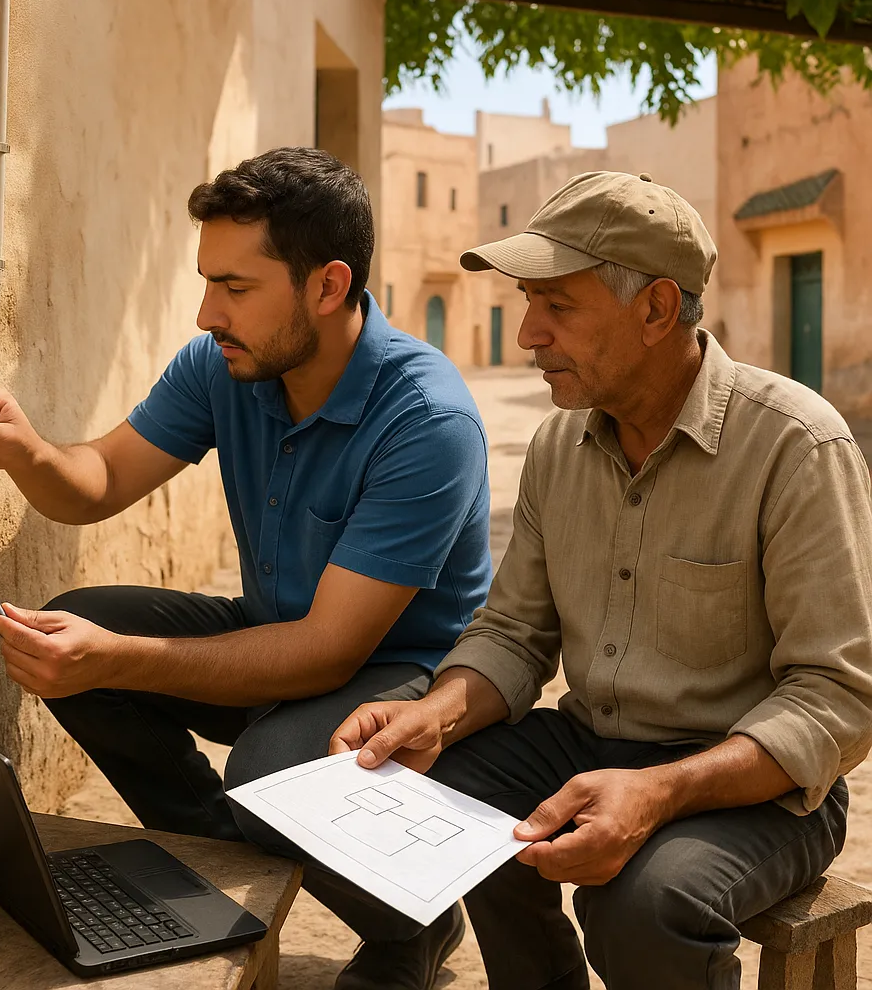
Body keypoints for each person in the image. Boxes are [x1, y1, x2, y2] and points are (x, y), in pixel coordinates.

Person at [0, 147, 490, 981]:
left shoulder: (427, 419)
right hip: (282, 635)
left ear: (328, 286)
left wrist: (115, 658)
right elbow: (98, 482)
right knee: (86, 614)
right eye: (207, 282)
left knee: (268, 763)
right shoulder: (225, 365)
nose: (207, 313)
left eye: (235, 288)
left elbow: (330, 651)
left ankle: (408, 922)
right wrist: (27, 453)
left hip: (401, 675)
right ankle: (225, 852)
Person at [330, 171, 872, 990]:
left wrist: (658, 792)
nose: (527, 336)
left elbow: (836, 699)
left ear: (656, 310)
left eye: (558, 307)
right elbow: (514, 632)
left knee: (645, 905)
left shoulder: (797, 447)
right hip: (592, 743)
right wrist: (432, 717)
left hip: (756, 784)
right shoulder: (559, 448)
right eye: (526, 303)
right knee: (439, 794)